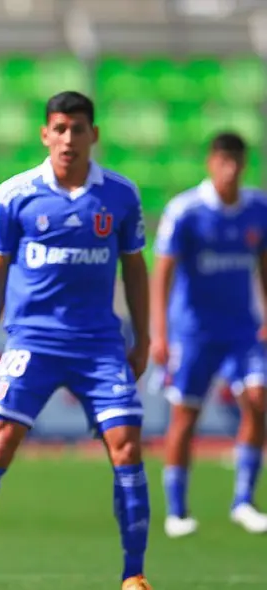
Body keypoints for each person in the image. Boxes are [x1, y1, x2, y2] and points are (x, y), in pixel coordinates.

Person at [0, 91, 153, 590]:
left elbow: (136, 269)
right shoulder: (14, 194)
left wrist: (143, 337)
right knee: (1, 440)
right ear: (45, 134)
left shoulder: (121, 195)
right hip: (31, 342)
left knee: (126, 446)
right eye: (59, 129)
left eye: (78, 129)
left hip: (100, 344)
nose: (69, 139)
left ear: (93, 135)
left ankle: (134, 575)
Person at [151, 131, 267, 538]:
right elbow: (162, 272)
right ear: (211, 163)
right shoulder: (186, 211)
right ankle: (177, 509)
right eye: (223, 160)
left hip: (242, 329)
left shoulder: (258, 209)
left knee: (257, 398)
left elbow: (263, 265)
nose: (230, 169)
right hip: (193, 332)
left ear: (244, 163)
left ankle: (243, 501)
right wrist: (159, 332)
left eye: (237, 161)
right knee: (186, 417)